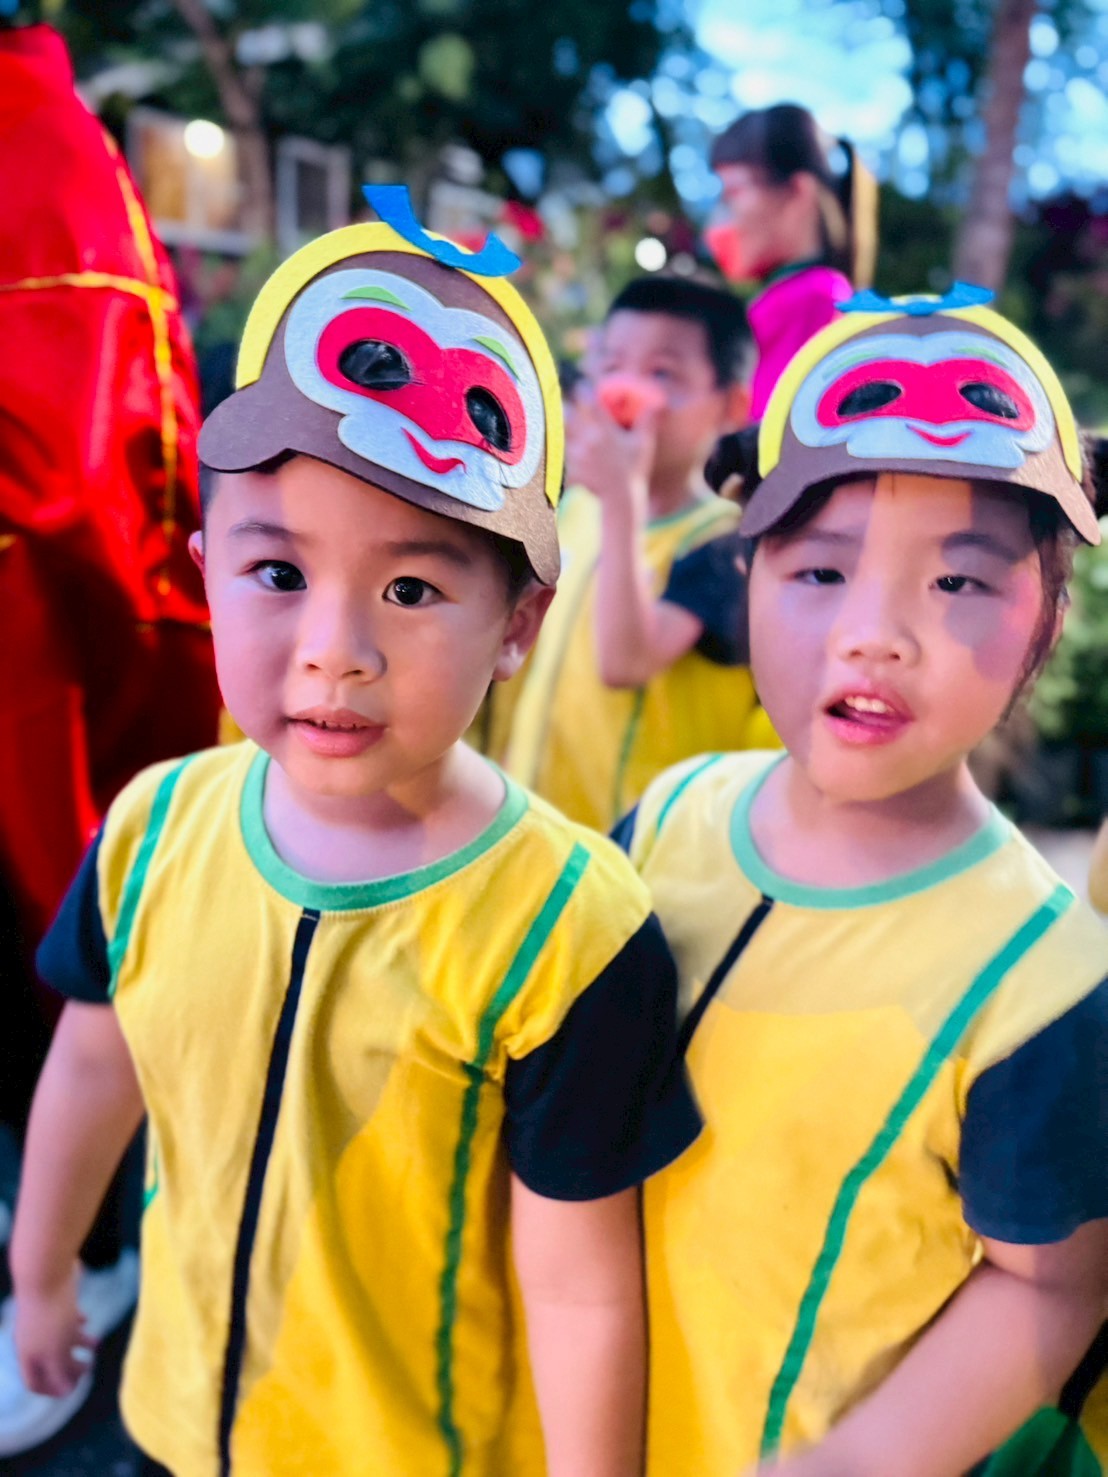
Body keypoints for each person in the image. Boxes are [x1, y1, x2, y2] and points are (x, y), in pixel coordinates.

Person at [8, 195, 700, 1476]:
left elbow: (580, 1284)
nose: (336, 649)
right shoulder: (149, 835)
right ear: (205, 568)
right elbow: (94, 1072)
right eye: (278, 573)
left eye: (412, 586)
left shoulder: (571, 932)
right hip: (172, 1425)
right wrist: (40, 1273)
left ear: (517, 624)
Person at [618, 289, 1108, 1475]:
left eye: (958, 584)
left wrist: (856, 1461)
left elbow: (1051, 1285)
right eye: (820, 571)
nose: (872, 633)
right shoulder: (665, 821)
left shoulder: (1043, 979)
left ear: (1046, 623)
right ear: (744, 573)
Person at [0, 11, 219, 1456]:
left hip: (41, 661)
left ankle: (69, 1262)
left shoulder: (41, 158)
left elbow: (79, 473)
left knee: (62, 982)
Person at [505, 275, 774, 834]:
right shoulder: (578, 508)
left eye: (662, 374)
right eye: (612, 365)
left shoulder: (727, 546)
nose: (624, 391)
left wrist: (622, 499)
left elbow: (624, 662)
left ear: (731, 406)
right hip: (539, 829)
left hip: (638, 852)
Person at [705, 102, 878, 419]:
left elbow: (766, 432)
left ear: (798, 192)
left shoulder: (814, 297)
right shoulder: (795, 295)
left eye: (733, 192)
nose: (720, 219)